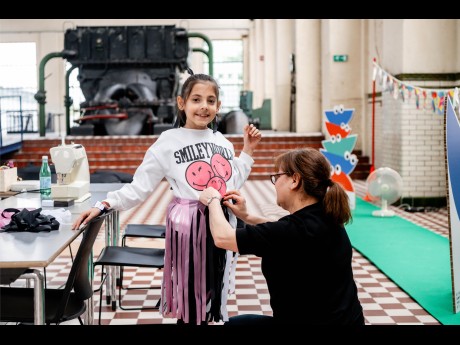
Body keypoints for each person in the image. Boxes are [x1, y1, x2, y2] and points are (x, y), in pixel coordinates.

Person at [72, 70, 262, 325]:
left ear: (218, 106)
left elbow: (231, 179)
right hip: (191, 229)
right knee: (192, 300)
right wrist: (104, 204)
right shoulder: (168, 142)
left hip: (222, 224)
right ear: (182, 103)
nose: (203, 106)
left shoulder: (223, 142)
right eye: (196, 99)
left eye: (210, 100)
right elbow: (139, 187)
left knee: (211, 296)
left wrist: (247, 151)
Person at [198, 147, 364, 325]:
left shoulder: (293, 231)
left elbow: (223, 237)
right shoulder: (325, 216)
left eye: (277, 177)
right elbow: (281, 234)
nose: (275, 183)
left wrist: (212, 199)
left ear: (295, 180)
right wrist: (247, 216)